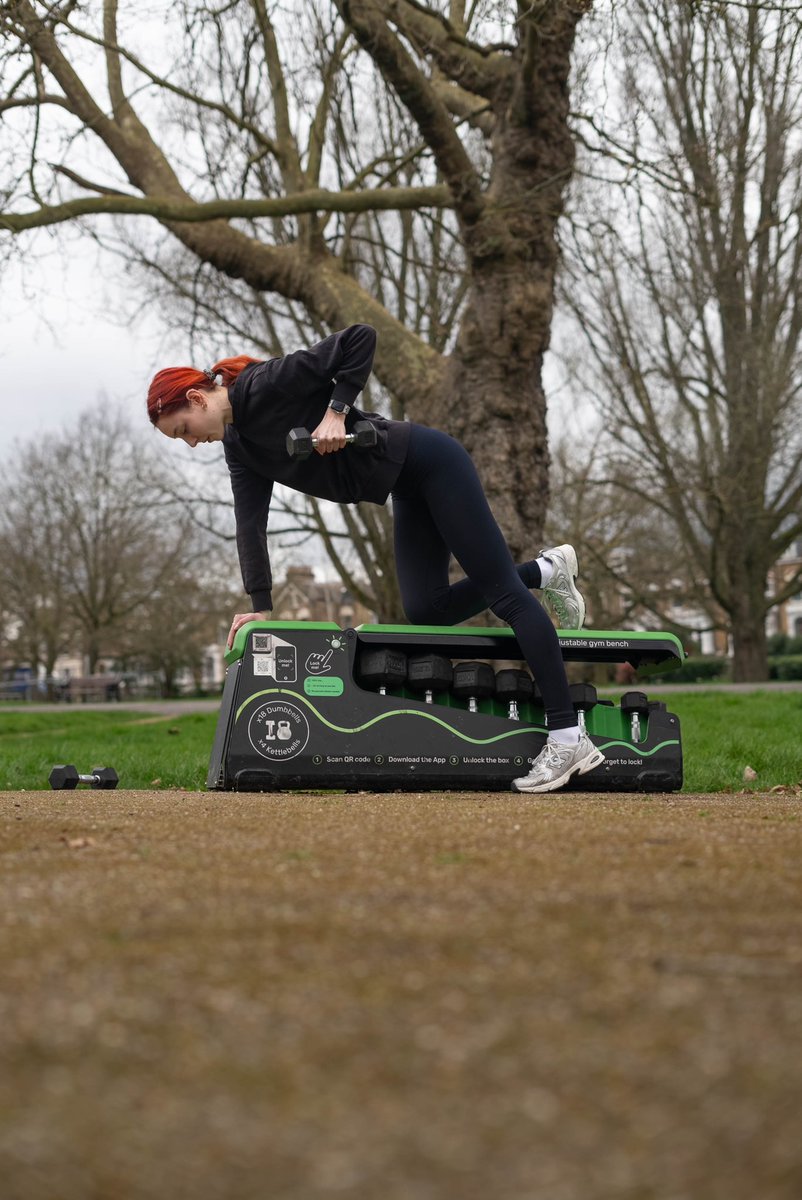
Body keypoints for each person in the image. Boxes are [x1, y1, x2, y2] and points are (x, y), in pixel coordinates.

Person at [146, 324, 604, 793]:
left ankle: (568, 737)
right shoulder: (240, 447)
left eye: (183, 430)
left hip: (433, 463)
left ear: (197, 399)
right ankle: (546, 570)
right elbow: (249, 523)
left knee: (504, 597)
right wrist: (260, 604)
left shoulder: (265, 383)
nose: (191, 442)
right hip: (405, 486)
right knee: (427, 608)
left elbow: (359, 338)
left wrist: (337, 412)